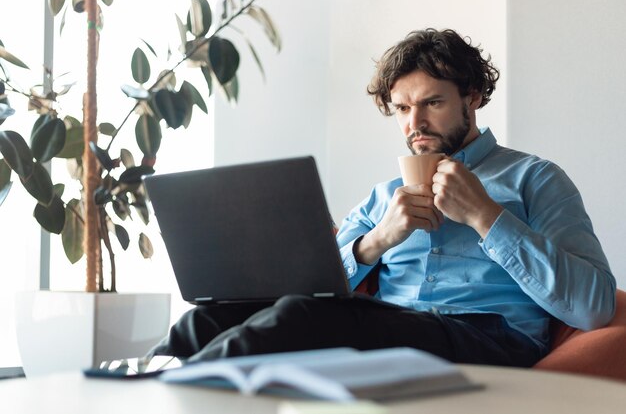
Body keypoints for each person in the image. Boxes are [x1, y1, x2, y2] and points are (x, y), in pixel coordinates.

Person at [150, 28, 616, 367]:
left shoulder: (535, 179)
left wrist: (486, 216)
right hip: (390, 327)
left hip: (489, 339)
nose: (415, 123)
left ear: (471, 98)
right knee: (211, 316)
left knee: (301, 316)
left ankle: (174, 396)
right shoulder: (384, 196)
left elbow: (594, 307)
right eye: (402, 108)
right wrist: (376, 240)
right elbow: (316, 278)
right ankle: (135, 386)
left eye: (432, 103)